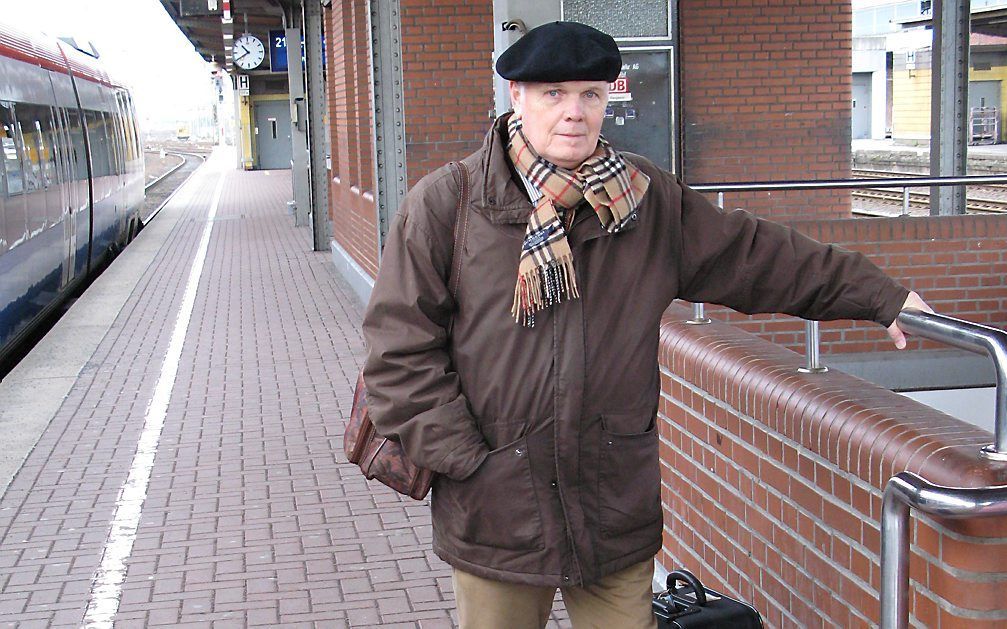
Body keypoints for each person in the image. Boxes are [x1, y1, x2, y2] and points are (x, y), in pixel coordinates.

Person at [361, 20, 930, 629]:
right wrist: (470, 462)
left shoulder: (645, 201)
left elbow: (757, 257)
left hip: (612, 504)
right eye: (554, 94)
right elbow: (399, 351)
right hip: (495, 510)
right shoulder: (448, 204)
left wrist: (879, 295)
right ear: (516, 98)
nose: (575, 112)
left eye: (591, 94)